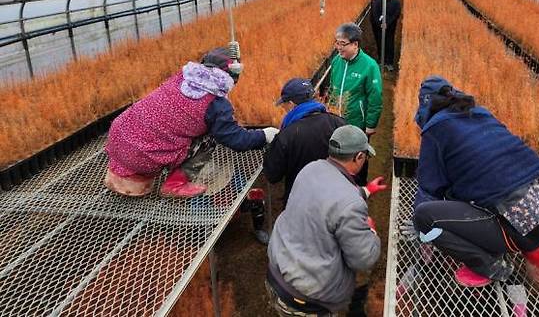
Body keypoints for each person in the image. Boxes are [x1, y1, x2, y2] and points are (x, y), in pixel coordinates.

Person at [401, 75, 539, 288]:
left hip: (521, 228)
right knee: (470, 193)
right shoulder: (480, 113)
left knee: (424, 218)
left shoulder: (435, 131)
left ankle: (489, 265)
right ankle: (493, 240)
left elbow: (429, 190)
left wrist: (423, 232)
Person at [104, 45, 280, 198]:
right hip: (142, 156)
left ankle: (123, 171)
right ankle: (175, 185)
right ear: (231, 76)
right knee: (211, 138)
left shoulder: (183, 77)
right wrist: (264, 135)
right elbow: (235, 140)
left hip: (117, 137)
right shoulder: (216, 105)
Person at [266, 125, 387, 316]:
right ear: (358, 157)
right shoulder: (350, 204)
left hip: (277, 273)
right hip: (307, 300)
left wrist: (366, 190)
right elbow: (364, 259)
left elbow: (329, 197)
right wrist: (371, 232)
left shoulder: (310, 169)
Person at [263, 77, 346, 206]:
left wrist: (271, 146)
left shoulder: (287, 135)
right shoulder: (339, 123)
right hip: (334, 198)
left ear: (291, 104)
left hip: (300, 203)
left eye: (284, 104)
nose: (284, 108)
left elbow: (272, 174)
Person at [328, 23, 382, 185]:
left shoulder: (369, 65)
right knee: (337, 157)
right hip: (336, 120)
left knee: (357, 159)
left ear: (355, 44)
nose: (338, 47)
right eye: (336, 43)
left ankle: (359, 188)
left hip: (357, 123)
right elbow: (332, 88)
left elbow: (375, 97)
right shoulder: (337, 61)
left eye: (342, 44)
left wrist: (370, 125)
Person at [370, 0, 401, 71]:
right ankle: (381, 61)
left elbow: (396, 14)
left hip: (390, 27)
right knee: (380, 43)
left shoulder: (396, 2)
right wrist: (380, 23)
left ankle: (389, 62)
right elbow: (375, 14)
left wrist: (387, 23)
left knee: (389, 43)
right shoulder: (379, 1)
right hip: (380, 27)